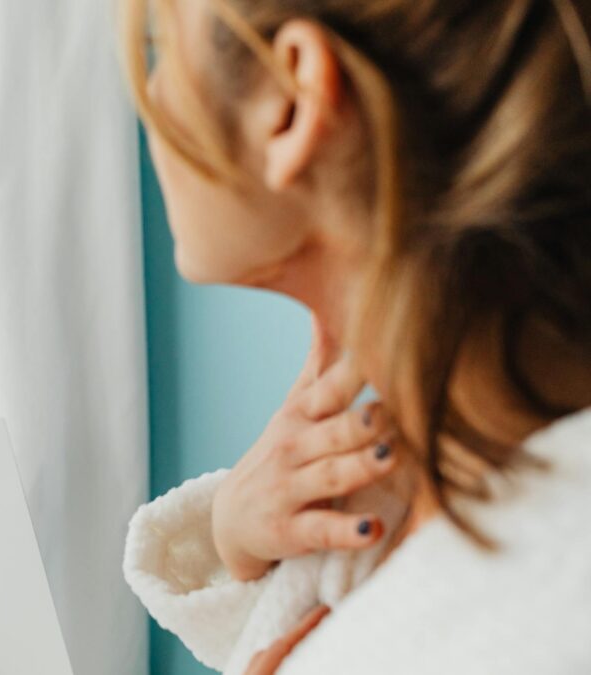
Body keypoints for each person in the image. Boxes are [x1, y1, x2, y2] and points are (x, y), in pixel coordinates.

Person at [118, 0, 591, 672]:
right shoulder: (433, 465)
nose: (153, 93)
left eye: (164, 45)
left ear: (293, 101)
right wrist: (235, 538)